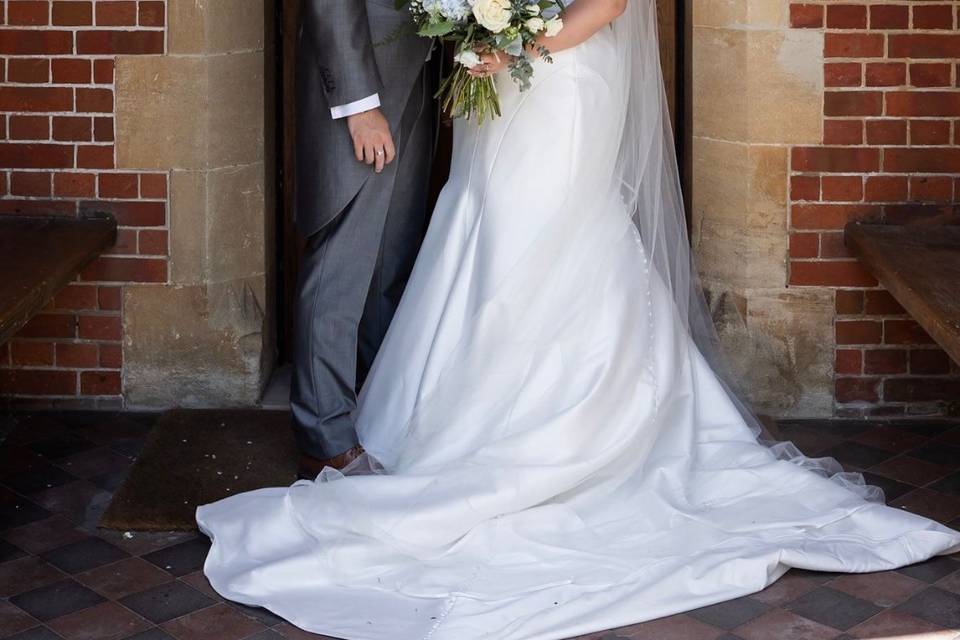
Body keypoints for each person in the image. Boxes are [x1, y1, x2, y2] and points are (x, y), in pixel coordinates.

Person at [199, 0, 960, 638]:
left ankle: (550, 418)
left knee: (548, 236)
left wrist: (520, 38)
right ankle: (438, 416)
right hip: (496, 97)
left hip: (562, 85)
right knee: (479, 233)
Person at [291, 0, 436, 477]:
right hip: (363, 85)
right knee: (342, 264)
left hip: (416, 69)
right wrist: (360, 104)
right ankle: (323, 435)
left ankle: (377, 413)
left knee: (389, 261)